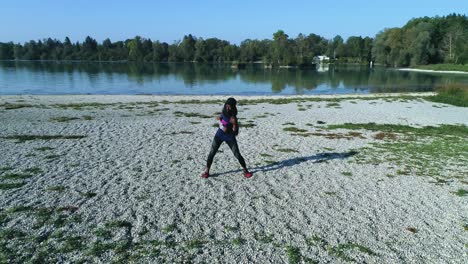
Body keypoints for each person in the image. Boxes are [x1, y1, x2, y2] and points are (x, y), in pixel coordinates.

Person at [202, 97, 252, 178]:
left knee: (237, 154)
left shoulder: (233, 116)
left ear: (233, 106)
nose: (228, 107)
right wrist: (220, 118)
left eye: (229, 106)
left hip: (229, 137)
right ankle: (207, 171)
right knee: (212, 152)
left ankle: (245, 171)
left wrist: (234, 124)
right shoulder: (224, 111)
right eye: (227, 105)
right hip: (219, 135)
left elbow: (235, 130)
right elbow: (220, 118)